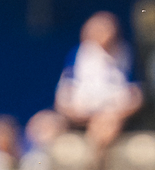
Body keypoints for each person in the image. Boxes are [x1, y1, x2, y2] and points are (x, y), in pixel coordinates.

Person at [43, 11, 144, 160]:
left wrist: (114, 113)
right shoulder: (78, 54)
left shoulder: (126, 55)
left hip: (111, 113)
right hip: (79, 113)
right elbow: (63, 94)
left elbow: (137, 95)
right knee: (43, 125)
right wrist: (75, 112)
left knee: (103, 127)